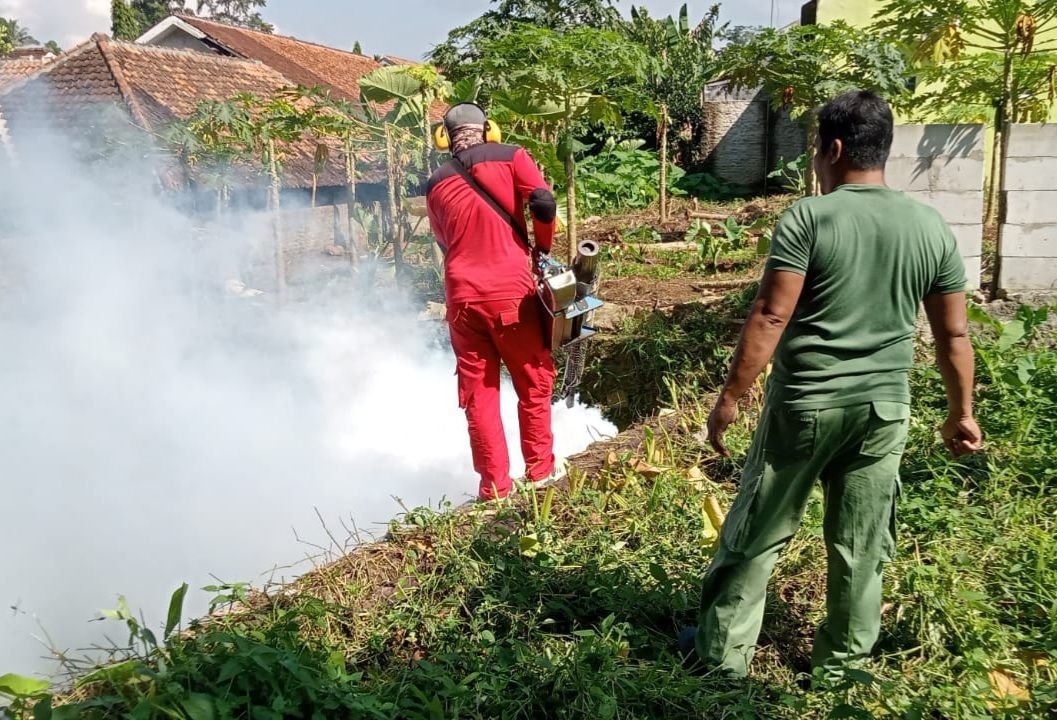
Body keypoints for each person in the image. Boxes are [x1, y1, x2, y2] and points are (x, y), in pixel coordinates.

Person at [682, 90, 983, 680]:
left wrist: (728, 401)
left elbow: (771, 316)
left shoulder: (809, 218)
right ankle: (842, 670)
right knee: (862, 544)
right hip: (885, 410)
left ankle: (720, 660)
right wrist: (960, 412)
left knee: (758, 532)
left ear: (833, 149)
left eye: (818, 153)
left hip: (808, 406)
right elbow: (954, 335)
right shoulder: (928, 225)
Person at [426, 103, 565, 502]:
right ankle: (540, 473)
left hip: (461, 298)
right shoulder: (511, 156)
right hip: (509, 291)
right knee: (533, 381)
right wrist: (542, 249)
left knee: (479, 394)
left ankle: (494, 489)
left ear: (444, 138)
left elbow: (443, 242)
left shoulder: (436, 182)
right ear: (489, 130)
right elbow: (543, 202)